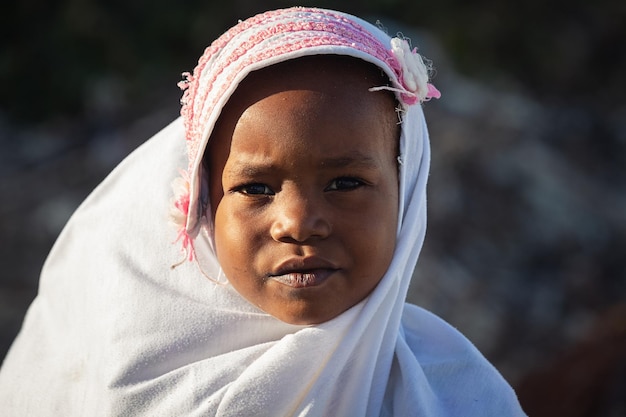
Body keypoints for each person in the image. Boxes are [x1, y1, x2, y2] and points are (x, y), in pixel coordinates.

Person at [0, 7, 526, 416]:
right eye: (254, 188)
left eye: (346, 182)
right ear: (204, 205)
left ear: (406, 193)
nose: (297, 223)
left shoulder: (454, 393)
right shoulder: (121, 374)